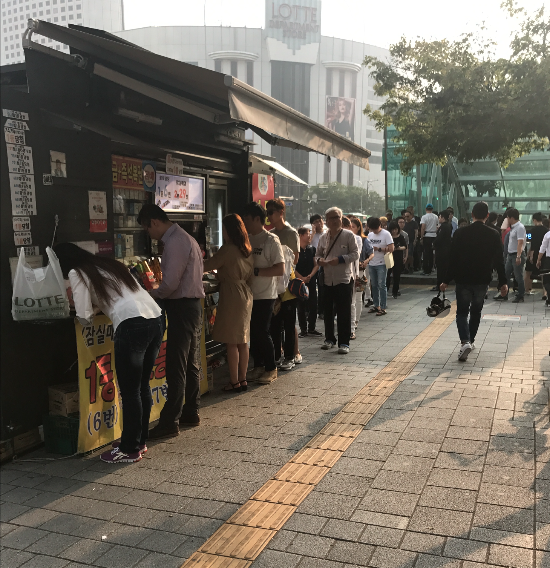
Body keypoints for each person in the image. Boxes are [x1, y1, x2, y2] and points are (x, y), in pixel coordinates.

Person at [55, 242, 163, 464]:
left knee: (130, 391)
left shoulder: (78, 272)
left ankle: (129, 449)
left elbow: (84, 316)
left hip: (131, 325)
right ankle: (138, 441)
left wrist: (78, 307)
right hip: (155, 317)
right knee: (141, 386)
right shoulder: (110, 265)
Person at [137, 205, 204, 440]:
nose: (148, 233)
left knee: (177, 363)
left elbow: (169, 284)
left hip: (182, 307)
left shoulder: (175, 242)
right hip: (191, 305)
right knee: (190, 361)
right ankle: (191, 411)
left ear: (154, 222)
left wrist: (149, 294)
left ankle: (170, 421)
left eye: (147, 228)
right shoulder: (185, 238)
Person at [440, 201, 507, 362]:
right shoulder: (493, 234)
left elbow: (453, 259)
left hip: (463, 279)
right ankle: (471, 341)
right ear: (487, 216)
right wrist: (503, 282)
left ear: (472, 215)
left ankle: (465, 341)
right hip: (482, 280)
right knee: (476, 312)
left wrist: (446, 280)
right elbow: (499, 260)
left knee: (462, 312)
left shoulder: (460, 233)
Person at [203, 214, 254, 392]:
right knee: (243, 340)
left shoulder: (228, 249)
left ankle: (234, 381)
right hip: (245, 294)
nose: (222, 232)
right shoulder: (246, 248)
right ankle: (243, 379)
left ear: (229, 230)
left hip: (232, 295)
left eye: (223, 228)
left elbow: (208, 265)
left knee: (232, 342)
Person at [242, 202, 285, 385]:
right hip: (249, 294)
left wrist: (257, 272)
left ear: (257, 219)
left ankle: (271, 367)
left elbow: (280, 269)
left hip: (266, 294)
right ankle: (258, 365)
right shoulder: (248, 240)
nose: (245, 223)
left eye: (247, 220)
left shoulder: (271, 240)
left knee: (262, 331)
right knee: (251, 332)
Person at [315, 207, 359, 354]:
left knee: (343, 312)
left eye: (337, 217)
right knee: (327, 312)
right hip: (327, 279)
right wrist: (320, 260)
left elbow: (355, 254)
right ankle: (329, 339)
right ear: (326, 221)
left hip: (343, 279)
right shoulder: (323, 237)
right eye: (331, 218)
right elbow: (317, 255)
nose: (334, 221)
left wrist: (340, 259)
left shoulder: (348, 235)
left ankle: (344, 342)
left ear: (341, 219)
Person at [266, 198, 301, 365]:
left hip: (288, 284)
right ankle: (277, 356)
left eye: (271, 212)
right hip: (273, 283)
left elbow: (295, 259)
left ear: (281, 212)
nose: (268, 216)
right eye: (267, 212)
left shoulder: (291, 233)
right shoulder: (271, 234)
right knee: (275, 322)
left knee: (288, 322)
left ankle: (290, 356)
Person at [494, 208, 527, 303]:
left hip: (516, 255)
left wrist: (518, 256)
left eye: (507, 217)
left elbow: (520, 243)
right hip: (510, 255)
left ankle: (521, 295)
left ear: (511, 218)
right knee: (505, 275)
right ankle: (504, 293)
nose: (506, 219)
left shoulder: (520, 227)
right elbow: (503, 229)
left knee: (518, 276)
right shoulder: (513, 227)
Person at [295, 227, 321, 338]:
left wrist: (310, 275)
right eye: (307, 234)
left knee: (313, 304)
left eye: (310, 233)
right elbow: (292, 267)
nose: (310, 236)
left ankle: (312, 328)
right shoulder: (295, 250)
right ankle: (303, 329)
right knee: (300, 306)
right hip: (299, 282)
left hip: (311, 280)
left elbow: (316, 265)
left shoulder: (312, 249)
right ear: (300, 235)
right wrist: (301, 277)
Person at [367, 217, 394, 316]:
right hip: (371, 263)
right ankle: (376, 305)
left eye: (375, 229)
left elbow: (391, 248)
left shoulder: (386, 234)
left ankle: (383, 307)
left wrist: (378, 248)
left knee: (381, 284)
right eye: (372, 229)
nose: (374, 231)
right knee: (373, 285)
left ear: (380, 225)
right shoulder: (370, 235)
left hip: (382, 263)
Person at [525, 213, 548, 295]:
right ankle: (545, 293)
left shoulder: (533, 230)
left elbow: (533, 244)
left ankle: (527, 290)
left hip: (534, 253)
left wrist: (530, 254)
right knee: (544, 274)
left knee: (528, 272)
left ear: (534, 220)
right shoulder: (546, 230)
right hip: (543, 254)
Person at [310, 213, 327, 318]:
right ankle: (310, 310)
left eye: (319, 221)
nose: (318, 224)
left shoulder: (327, 233)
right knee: (312, 288)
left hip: (323, 264)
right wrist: (313, 232)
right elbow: (306, 243)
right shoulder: (311, 235)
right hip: (312, 265)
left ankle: (321, 310)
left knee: (322, 288)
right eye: (315, 222)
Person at [433, 210, 453, 292]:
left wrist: (433, 243)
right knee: (443, 268)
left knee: (440, 269)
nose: (439, 218)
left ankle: (439, 284)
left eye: (439, 217)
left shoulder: (443, 226)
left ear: (443, 217)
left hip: (441, 250)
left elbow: (439, 239)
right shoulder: (449, 225)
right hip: (446, 250)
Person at [386, 221, 406, 299]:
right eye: (392, 230)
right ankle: (386, 290)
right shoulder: (388, 236)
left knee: (396, 276)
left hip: (398, 258)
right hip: (389, 257)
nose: (394, 231)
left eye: (395, 229)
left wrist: (398, 248)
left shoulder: (400, 237)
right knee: (387, 275)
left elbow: (405, 246)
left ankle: (395, 292)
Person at [420, 203, 438, 275]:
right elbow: (437, 226)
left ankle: (426, 269)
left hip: (427, 235)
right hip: (434, 235)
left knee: (426, 253)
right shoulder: (436, 217)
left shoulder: (424, 217)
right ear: (432, 209)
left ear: (426, 209)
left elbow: (423, 227)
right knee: (432, 254)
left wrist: (421, 237)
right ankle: (431, 268)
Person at [536, 229, 550, 307]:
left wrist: (538, 260)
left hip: (549, 260)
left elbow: (542, 248)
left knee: (546, 280)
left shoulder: (548, 235)